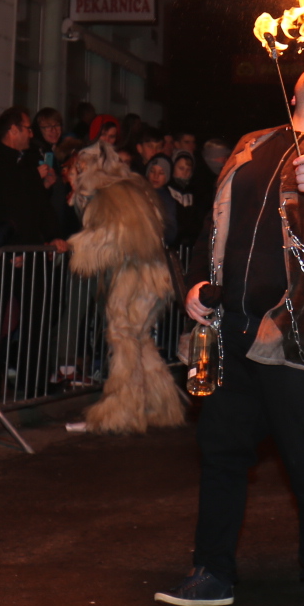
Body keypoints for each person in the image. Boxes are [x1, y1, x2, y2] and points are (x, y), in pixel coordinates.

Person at [157, 53, 304, 606]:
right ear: (294, 93)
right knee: (220, 455)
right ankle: (211, 573)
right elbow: (215, 225)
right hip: (232, 328)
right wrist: (196, 285)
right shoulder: (254, 144)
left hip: (301, 335)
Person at [66, 142, 185, 433]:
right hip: (154, 276)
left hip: (137, 278)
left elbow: (113, 238)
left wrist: (77, 248)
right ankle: (160, 406)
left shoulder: (113, 194)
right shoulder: (131, 188)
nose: (77, 171)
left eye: (80, 166)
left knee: (123, 337)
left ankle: (120, 414)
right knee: (139, 338)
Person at [0, 108, 66, 249]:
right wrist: (10, 246)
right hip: (9, 252)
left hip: (32, 249)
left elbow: (41, 204)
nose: (32, 134)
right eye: (28, 129)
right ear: (14, 130)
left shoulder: (28, 161)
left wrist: (54, 236)